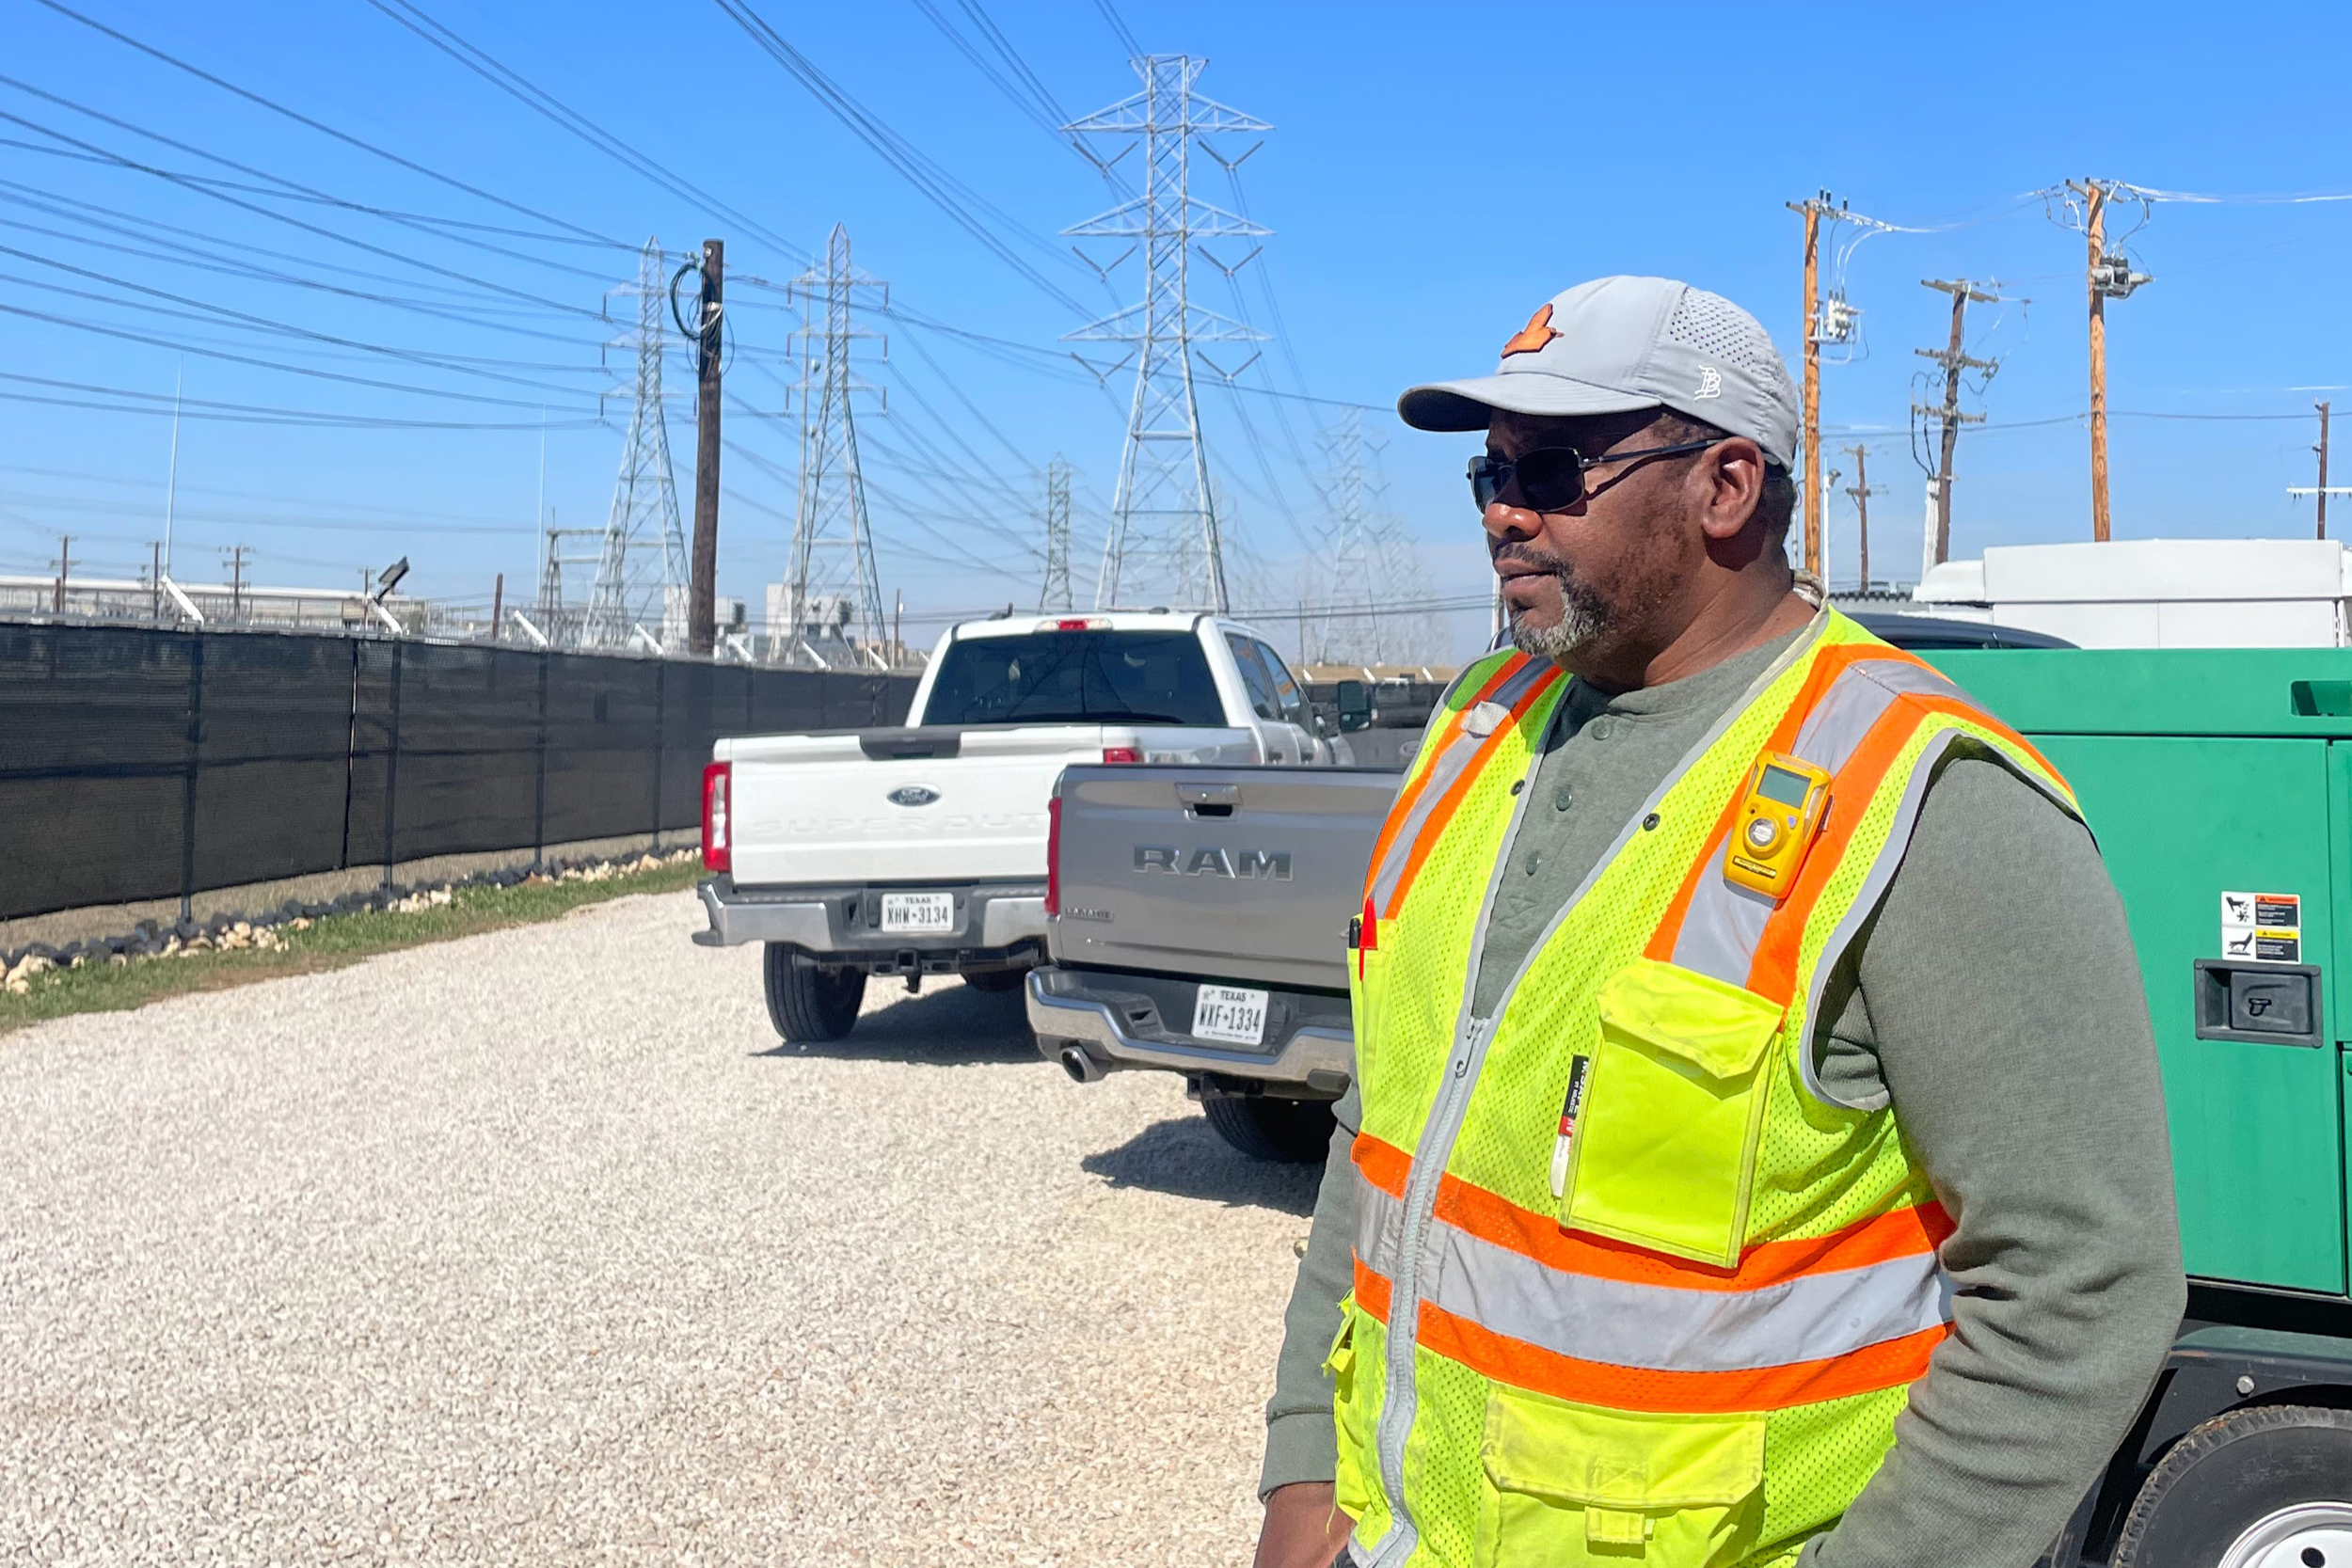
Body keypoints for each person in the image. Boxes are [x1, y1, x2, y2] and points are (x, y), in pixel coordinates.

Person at [1250, 276, 2183, 1568]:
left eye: (1553, 470)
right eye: (1491, 474)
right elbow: (1383, 1130)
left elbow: (2080, 1290)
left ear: (1727, 488)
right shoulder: (1474, 728)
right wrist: (1304, 1470)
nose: (1506, 512)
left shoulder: (1927, 798)